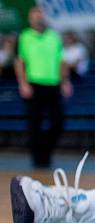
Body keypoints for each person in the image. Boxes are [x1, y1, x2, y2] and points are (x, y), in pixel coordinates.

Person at [14, 7, 72, 168]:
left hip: (53, 84)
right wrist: (23, 83)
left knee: (58, 122)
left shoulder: (54, 36)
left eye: (40, 15)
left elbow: (62, 61)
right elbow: (20, 61)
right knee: (34, 123)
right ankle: (38, 159)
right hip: (34, 85)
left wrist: (65, 81)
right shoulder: (24, 36)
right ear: (30, 19)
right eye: (35, 16)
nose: (38, 18)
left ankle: (45, 151)